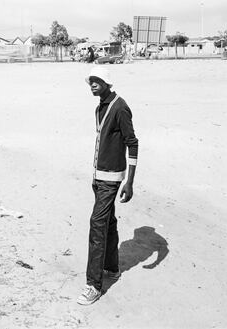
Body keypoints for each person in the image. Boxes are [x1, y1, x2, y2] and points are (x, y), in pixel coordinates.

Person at [77, 66, 139, 305]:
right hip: (99, 176)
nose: (92, 84)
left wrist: (129, 182)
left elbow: (132, 143)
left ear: (107, 83)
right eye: (90, 81)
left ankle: (93, 285)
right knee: (108, 222)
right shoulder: (99, 107)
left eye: (97, 81)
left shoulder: (120, 107)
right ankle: (111, 268)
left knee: (97, 224)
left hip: (112, 179)